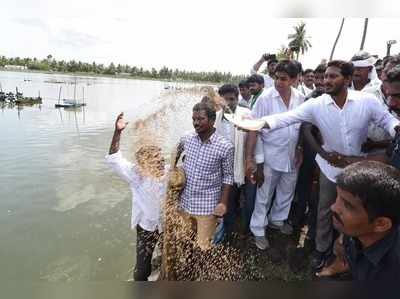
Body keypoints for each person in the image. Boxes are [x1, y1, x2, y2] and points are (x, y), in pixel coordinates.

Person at [243, 60, 400, 269]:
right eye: (325, 76)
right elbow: (287, 118)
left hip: (359, 169)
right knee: (325, 210)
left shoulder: (367, 102)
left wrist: (397, 129)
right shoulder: (316, 104)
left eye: (332, 76)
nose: (326, 80)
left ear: (347, 79)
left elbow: (387, 121)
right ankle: (320, 250)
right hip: (329, 168)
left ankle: (351, 258)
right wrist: (260, 123)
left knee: (359, 215)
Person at [246, 60, 305, 250]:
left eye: (284, 79)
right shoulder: (265, 98)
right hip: (269, 154)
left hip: (291, 154)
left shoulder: (300, 98)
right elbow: (254, 128)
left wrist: (300, 148)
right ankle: (258, 230)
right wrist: (251, 160)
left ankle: (277, 220)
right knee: (264, 194)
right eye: (277, 78)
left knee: (287, 190)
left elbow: (303, 124)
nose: (279, 82)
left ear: (295, 79)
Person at [106, 112, 168, 281]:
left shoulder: (169, 173)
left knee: (168, 256)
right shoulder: (136, 175)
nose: (161, 161)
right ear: (145, 164)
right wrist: (117, 132)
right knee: (142, 268)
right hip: (146, 227)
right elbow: (114, 159)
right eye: (157, 160)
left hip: (166, 224)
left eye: (161, 158)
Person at [177, 101, 234, 251]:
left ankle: (200, 269)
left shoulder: (225, 146)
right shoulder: (187, 139)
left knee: (203, 247)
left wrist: (223, 203)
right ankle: (187, 269)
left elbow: (228, 177)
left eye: (200, 119)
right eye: (194, 119)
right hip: (185, 203)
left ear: (212, 120)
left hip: (207, 206)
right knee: (184, 242)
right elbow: (175, 157)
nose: (196, 123)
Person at [331, 161, 400, 281]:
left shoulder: (392, 272)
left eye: (347, 205)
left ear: (381, 224)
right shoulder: (355, 231)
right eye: (338, 197)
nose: (333, 207)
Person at [215, 84, 263, 243]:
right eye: (225, 99)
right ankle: (228, 232)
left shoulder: (247, 115)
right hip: (227, 168)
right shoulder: (216, 117)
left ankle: (246, 230)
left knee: (250, 200)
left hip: (247, 165)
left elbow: (257, 138)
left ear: (237, 98)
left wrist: (257, 165)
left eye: (232, 99)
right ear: (219, 100)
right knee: (228, 200)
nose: (228, 103)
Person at [289, 64, 326, 243]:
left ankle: (314, 230)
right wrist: (300, 148)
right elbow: (304, 127)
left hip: (329, 156)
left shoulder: (340, 100)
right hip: (311, 152)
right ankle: (297, 222)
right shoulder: (309, 99)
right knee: (303, 188)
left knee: (321, 195)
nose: (319, 82)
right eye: (317, 78)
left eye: (323, 78)